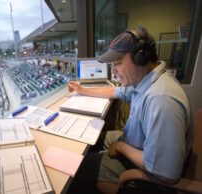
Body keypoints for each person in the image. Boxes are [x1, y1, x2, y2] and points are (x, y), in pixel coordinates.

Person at [67, 27, 194, 193]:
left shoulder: (161, 99)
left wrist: (121, 148)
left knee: (77, 167)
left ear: (141, 58)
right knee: (91, 138)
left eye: (118, 63)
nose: (113, 70)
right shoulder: (143, 82)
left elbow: (166, 172)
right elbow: (114, 91)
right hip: (136, 143)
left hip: (149, 171)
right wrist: (82, 90)